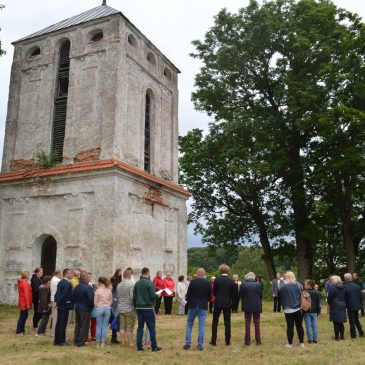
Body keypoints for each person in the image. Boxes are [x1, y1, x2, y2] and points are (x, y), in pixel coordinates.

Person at [133, 267, 163, 352]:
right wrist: (158, 295)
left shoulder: (137, 283)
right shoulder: (149, 283)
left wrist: (135, 306)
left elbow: (134, 296)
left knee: (140, 328)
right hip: (148, 308)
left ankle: (139, 347)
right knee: (151, 328)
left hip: (139, 308)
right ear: (147, 273)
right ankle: (154, 347)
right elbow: (153, 296)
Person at [183, 268, 212, 351]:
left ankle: (188, 344)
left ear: (197, 273)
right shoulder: (208, 283)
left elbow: (188, 295)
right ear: (204, 274)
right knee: (201, 326)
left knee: (189, 324)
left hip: (192, 305)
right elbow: (210, 297)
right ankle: (200, 345)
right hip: (203, 306)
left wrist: (189, 300)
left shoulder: (192, 282)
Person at [210, 264, 235, 346]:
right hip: (227, 303)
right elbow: (233, 294)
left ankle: (213, 341)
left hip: (218, 302)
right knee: (227, 322)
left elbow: (214, 292)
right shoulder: (231, 281)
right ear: (228, 270)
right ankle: (227, 341)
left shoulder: (217, 280)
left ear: (220, 270)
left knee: (215, 321)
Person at [279, 271, 305, 348]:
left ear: (286, 277)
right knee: (299, 326)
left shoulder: (282, 286)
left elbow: (279, 294)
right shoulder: (299, 285)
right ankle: (301, 343)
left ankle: (290, 344)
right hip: (298, 308)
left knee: (290, 326)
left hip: (288, 309)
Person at [239, 272, 263, 346]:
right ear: (254, 277)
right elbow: (261, 295)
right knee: (257, 323)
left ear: (247, 277)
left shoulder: (243, 284)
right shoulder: (258, 284)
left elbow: (240, 295)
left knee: (247, 323)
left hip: (247, 305)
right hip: (256, 305)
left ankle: (247, 341)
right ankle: (258, 341)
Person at [73, 272, 94, 347]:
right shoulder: (88, 287)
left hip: (78, 307)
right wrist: (92, 307)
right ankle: (81, 342)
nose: (90, 278)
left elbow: (74, 297)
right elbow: (91, 299)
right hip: (85, 308)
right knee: (84, 326)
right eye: (89, 277)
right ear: (85, 278)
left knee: (78, 325)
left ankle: (76, 340)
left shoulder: (77, 286)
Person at [54, 268, 73, 346]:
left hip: (61, 305)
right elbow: (64, 295)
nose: (71, 274)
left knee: (59, 323)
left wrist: (57, 302)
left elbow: (57, 293)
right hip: (64, 305)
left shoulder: (61, 282)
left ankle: (57, 340)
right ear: (65, 274)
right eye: (70, 273)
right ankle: (61, 341)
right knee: (62, 323)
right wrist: (58, 302)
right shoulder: (66, 283)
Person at [117, 269, 135, 347]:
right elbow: (132, 297)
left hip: (121, 307)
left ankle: (123, 342)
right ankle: (130, 343)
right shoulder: (131, 284)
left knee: (122, 326)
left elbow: (118, 297)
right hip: (129, 308)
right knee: (130, 326)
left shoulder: (119, 284)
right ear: (130, 275)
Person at [344, 273, 364, 339]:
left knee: (352, 321)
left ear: (345, 279)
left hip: (350, 305)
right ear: (351, 278)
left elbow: (345, 297)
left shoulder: (345, 287)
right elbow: (361, 297)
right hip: (357, 305)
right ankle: (361, 332)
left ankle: (353, 335)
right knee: (356, 319)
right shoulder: (357, 286)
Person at [94, 276, 112, 348]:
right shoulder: (109, 290)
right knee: (104, 326)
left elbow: (95, 302)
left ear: (99, 282)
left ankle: (97, 343)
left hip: (99, 308)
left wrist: (97, 306)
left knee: (99, 326)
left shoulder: (98, 290)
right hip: (107, 308)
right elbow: (111, 301)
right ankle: (103, 343)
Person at [327, 275, 346, 341]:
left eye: (332, 279)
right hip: (342, 305)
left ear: (335, 280)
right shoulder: (344, 287)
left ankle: (337, 337)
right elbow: (346, 296)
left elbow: (329, 298)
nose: (330, 281)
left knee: (335, 322)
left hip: (335, 305)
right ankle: (342, 336)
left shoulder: (333, 288)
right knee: (341, 322)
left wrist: (330, 303)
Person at [16, 271, 32, 336]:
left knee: (24, 316)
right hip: (24, 303)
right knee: (22, 317)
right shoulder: (24, 283)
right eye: (28, 275)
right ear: (26, 276)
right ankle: (19, 331)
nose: (29, 276)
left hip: (22, 301)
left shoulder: (22, 282)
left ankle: (22, 330)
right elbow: (26, 294)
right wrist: (28, 304)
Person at [110, 269, 122, 344]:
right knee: (114, 317)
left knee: (116, 317)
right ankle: (113, 336)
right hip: (114, 296)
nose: (120, 273)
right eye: (119, 272)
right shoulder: (113, 279)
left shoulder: (121, 280)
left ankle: (114, 336)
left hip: (118, 296)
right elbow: (112, 287)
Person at [30, 267, 43, 331]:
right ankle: (35, 326)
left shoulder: (38, 278)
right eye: (41, 272)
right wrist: (40, 287)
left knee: (38, 313)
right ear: (37, 272)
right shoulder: (35, 279)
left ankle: (35, 325)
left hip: (37, 298)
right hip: (36, 298)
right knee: (38, 313)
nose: (42, 273)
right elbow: (35, 289)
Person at [50, 270, 62, 338]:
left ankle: (54, 333)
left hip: (53, 298)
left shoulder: (53, 279)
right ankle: (54, 334)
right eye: (61, 274)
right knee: (56, 318)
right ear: (58, 274)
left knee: (54, 317)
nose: (62, 276)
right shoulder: (57, 280)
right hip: (55, 299)